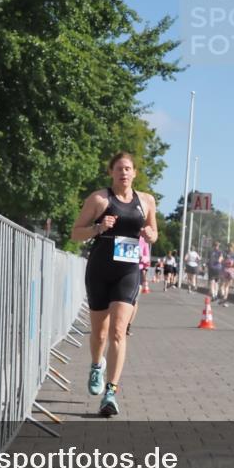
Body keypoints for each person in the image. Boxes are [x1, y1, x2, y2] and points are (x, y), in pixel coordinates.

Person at [71, 152, 157, 417]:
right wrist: (98, 228)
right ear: (111, 172)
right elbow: (75, 233)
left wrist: (150, 234)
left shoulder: (146, 201)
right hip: (100, 270)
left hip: (127, 271)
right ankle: (97, 365)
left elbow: (154, 233)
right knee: (99, 334)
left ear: (135, 173)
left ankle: (111, 392)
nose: (124, 173)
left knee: (118, 331)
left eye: (128, 168)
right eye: (119, 169)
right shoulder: (99, 199)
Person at [219, 241, 234, 306]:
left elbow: (220, 260)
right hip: (231, 271)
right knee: (227, 286)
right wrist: (233, 266)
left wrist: (222, 262)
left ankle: (222, 296)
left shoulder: (224, 253)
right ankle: (225, 299)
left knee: (222, 285)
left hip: (224, 270)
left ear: (228, 247)